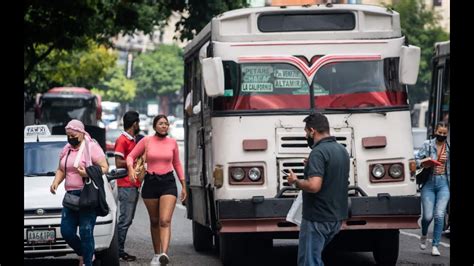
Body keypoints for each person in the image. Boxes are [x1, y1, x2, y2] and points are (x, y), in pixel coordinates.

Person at [287, 112, 349, 266]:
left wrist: (295, 181)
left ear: (312, 131)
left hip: (317, 217)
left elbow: (314, 186)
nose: (306, 136)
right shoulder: (341, 151)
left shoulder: (318, 152)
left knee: (309, 262)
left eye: (306, 132)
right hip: (336, 217)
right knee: (315, 259)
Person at [126, 114, 187, 265]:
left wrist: (184, 185)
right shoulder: (146, 141)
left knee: (165, 220)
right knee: (154, 221)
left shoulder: (172, 143)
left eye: (166, 124)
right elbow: (130, 157)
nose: (164, 126)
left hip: (168, 182)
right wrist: (130, 169)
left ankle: (164, 254)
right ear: (154, 126)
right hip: (151, 182)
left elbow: (177, 164)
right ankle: (156, 253)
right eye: (161, 123)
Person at [50, 119, 109, 266]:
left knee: (85, 231)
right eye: (68, 135)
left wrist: (87, 173)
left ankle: (87, 262)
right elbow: (61, 169)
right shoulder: (67, 149)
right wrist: (56, 182)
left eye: (73, 135)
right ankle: (85, 253)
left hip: (87, 196)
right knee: (66, 231)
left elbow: (104, 167)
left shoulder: (91, 147)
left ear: (81, 133)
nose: (70, 138)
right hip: (70, 197)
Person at [415, 121, 450, 256]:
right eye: (439, 132)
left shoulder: (448, 148)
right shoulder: (427, 145)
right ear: (435, 131)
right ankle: (424, 234)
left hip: (444, 184)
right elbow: (416, 160)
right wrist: (425, 162)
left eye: (444, 133)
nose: (441, 135)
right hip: (428, 183)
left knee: (439, 215)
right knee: (427, 216)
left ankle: (435, 245)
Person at [114, 111, 142, 261]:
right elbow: (118, 162)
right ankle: (117, 251)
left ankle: (118, 250)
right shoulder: (122, 140)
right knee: (124, 220)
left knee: (127, 219)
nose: (139, 126)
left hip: (132, 184)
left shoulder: (133, 140)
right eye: (138, 123)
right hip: (125, 184)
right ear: (135, 124)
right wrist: (135, 161)